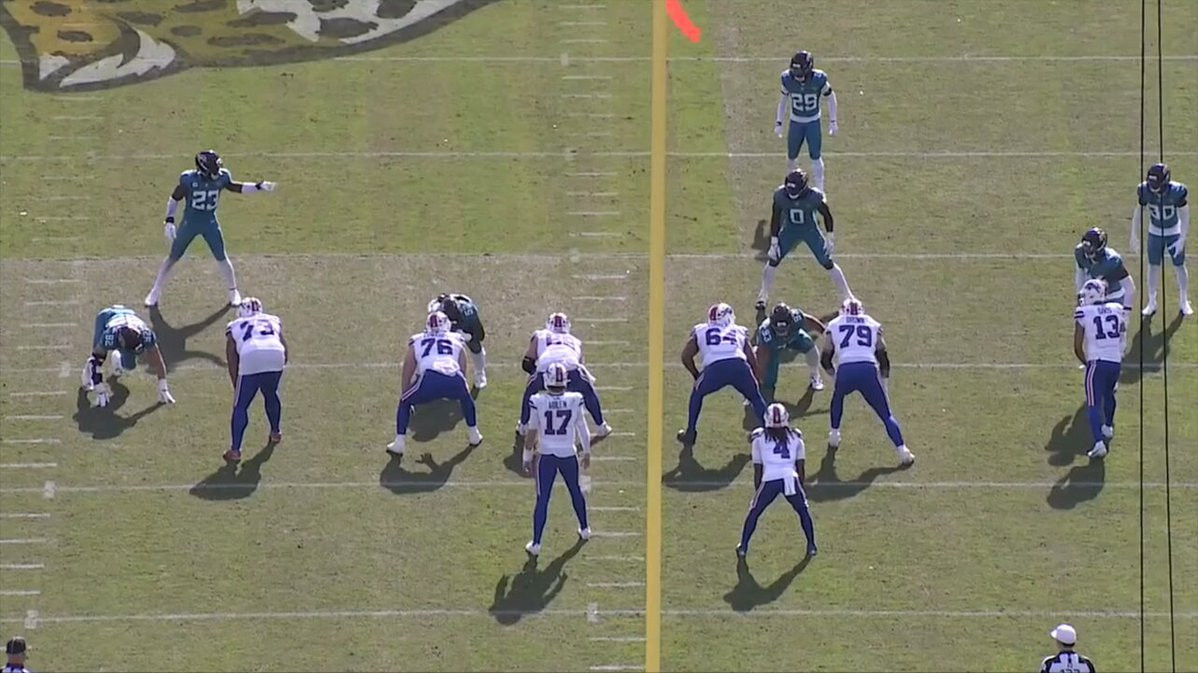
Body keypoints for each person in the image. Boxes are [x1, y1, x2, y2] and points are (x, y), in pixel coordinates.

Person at [144, 150, 277, 308]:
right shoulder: (189, 180)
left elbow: (235, 187)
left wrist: (258, 187)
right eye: (214, 169)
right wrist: (169, 219)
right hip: (190, 223)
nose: (218, 172)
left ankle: (233, 291)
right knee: (173, 257)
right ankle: (155, 290)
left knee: (222, 257)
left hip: (210, 222)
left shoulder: (222, 177)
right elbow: (175, 198)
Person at [821, 299, 914, 466]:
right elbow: (883, 355)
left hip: (846, 369)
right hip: (868, 369)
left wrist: (835, 377)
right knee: (886, 415)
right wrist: (884, 381)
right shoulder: (872, 324)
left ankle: (834, 434)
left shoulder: (834, 324)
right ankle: (903, 451)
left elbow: (825, 357)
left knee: (838, 397)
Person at [756, 169, 854, 311]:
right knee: (773, 260)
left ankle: (848, 296)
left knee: (828, 263)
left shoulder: (813, 197)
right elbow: (775, 217)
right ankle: (763, 297)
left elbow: (827, 215)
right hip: (789, 231)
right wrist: (774, 241)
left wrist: (829, 236)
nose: (791, 193)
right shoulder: (780, 195)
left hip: (810, 231)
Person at [388, 311, 483, 457]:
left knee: (404, 401)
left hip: (430, 378)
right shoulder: (456, 339)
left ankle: (399, 443)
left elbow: (408, 368)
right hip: (454, 378)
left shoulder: (418, 340)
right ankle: (474, 434)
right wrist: (459, 391)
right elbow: (462, 366)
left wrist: (405, 391)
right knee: (466, 398)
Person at [523, 363, 592, 556]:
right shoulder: (574, 399)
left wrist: (526, 457)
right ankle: (585, 529)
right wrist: (587, 452)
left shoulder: (538, 401)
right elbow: (583, 429)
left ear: (547, 380)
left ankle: (536, 544)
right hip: (568, 454)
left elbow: (531, 433)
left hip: (547, 456)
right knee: (576, 490)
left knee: (543, 499)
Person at [677, 303, 767, 446]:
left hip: (715, 369)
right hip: (739, 367)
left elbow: (685, 356)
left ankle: (690, 433)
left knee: (697, 393)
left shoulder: (701, 330)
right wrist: (756, 377)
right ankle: (770, 432)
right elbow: (751, 358)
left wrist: (696, 375)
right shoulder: (739, 330)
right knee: (755, 397)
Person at [737, 403, 817, 558]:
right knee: (803, 510)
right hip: (790, 478)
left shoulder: (759, 439)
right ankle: (811, 545)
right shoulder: (796, 438)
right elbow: (800, 467)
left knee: (754, 512)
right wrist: (800, 488)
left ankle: (744, 546)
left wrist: (758, 492)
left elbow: (758, 469)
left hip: (770, 479)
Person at [517, 312, 611, 437]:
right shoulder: (575, 341)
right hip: (571, 367)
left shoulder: (540, 335)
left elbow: (527, 363)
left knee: (529, 392)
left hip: (546, 367)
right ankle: (601, 426)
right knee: (588, 391)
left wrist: (535, 375)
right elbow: (580, 365)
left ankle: (523, 426)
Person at [223, 297, 288, 463]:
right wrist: (277, 367)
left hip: (250, 354)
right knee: (271, 393)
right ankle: (276, 432)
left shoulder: (235, 325)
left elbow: (231, 355)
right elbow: (284, 346)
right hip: (276, 353)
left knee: (241, 406)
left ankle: (235, 450)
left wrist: (236, 381)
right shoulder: (272, 320)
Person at [1074, 279, 1127, 460]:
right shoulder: (1116, 308)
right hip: (1115, 362)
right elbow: (1122, 336)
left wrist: (1087, 363)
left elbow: (1077, 347)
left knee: (1093, 403)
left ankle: (1098, 443)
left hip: (1097, 363)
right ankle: (1108, 427)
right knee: (1109, 393)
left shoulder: (1084, 312)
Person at [82, 304, 174, 407]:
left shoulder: (146, 335)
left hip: (129, 314)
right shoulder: (110, 336)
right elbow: (96, 359)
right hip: (106, 316)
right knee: (95, 355)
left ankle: (117, 361)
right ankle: (87, 376)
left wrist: (163, 387)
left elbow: (158, 361)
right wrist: (99, 388)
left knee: (129, 366)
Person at [1130, 162, 1191, 317]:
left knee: (1179, 265)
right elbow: (1139, 211)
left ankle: (1184, 300)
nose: (1153, 188)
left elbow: (1185, 214)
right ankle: (1152, 301)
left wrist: (1182, 238)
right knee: (1153, 266)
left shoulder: (1176, 192)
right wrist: (1134, 234)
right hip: (1155, 231)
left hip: (1174, 231)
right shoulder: (1145, 190)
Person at [774, 50, 838, 188]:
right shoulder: (787, 79)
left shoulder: (818, 79)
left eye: (800, 74)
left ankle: (820, 188)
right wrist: (779, 122)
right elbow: (783, 100)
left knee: (816, 157)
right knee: (791, 158)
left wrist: (833, 121)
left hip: (813, 121)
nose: (797, 77)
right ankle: (791, 185)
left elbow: (831, 98)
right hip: (796, 121)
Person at [754, 301, 826, 400]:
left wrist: (824, 331)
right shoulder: (766, 333)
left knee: (810, 347)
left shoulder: (796, 317)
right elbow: (762, 356)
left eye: (784, 328)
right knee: (769, 381)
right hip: (773, 347)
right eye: (779, 329)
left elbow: (809, 321)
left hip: (793, 337)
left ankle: (815, 376)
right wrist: (758, 375)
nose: (782, 332)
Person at [428, 293, 488, 389]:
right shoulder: (436, 313)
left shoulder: (469, 312)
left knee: (475, 345)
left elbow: (480, 335)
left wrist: (468, 336)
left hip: (464, 325)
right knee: (439, 347)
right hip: (444, 327)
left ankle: (480, 374)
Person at [1074, 227, 1134, 312]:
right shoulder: (1080, 252)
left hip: (1113, 298)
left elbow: (1129, 286)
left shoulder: (1112, 261)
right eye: (1085, 245)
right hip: (1093, 296)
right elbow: (1080, 274)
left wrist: (1126, 310)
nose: (1087, 250)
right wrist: (1080, 294)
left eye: (1090, 247)